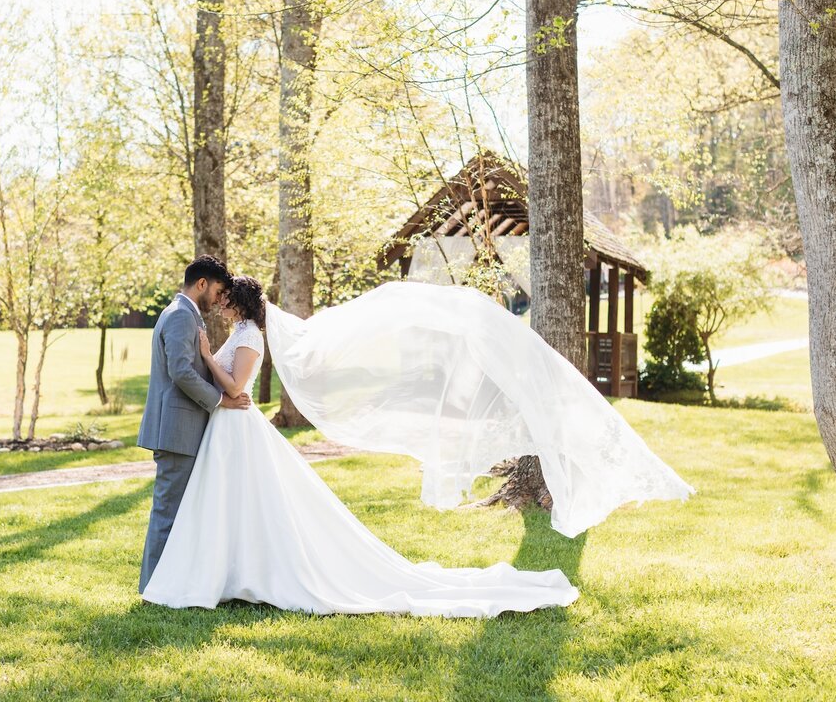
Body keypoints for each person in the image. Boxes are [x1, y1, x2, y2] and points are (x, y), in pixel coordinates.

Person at [139, 276, 687, 617]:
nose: (222, 309)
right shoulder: (237, 332)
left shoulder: (248, 337)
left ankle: (230, 573)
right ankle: (218, 570)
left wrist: (207, 356)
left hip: (237, 426)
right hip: (229, 432)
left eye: (227, 303)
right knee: (229, 504)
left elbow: (236, 388)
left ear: (239, 307)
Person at [137, 255, 251, 593]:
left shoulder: (184, 314)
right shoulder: (180, 316)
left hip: (183, 428)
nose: (218, 299)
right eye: (216, 291)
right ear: (202, 283)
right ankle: (154, 588)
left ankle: (173, 583)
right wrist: (221, 400)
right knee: (168, 512)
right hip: (177, 429)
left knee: (180, 511)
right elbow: (181, 372)